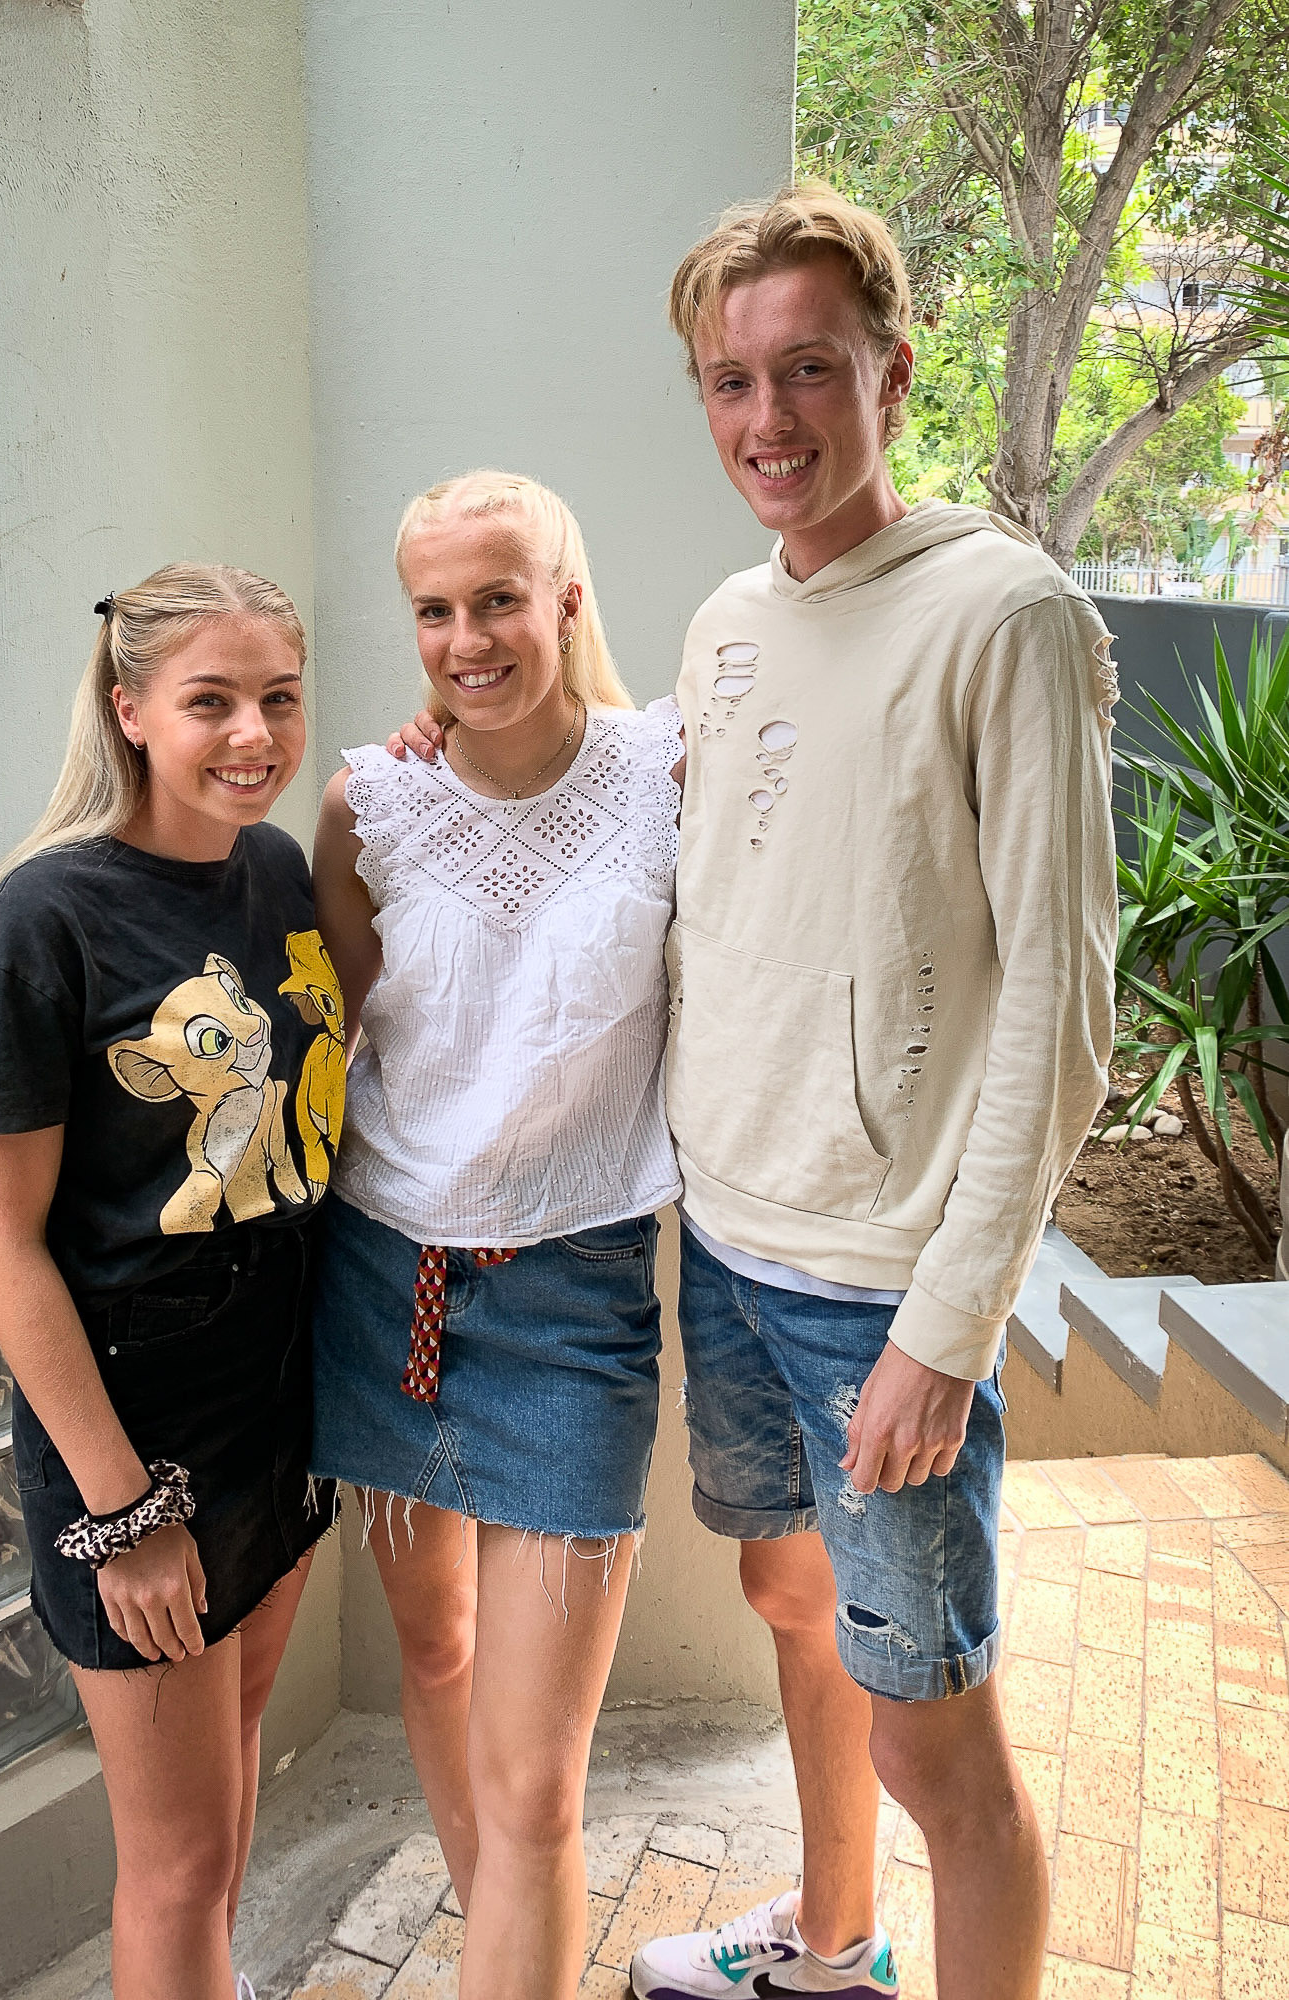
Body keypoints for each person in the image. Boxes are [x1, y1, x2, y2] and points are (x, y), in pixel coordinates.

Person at [392, 189, 1118, 2000]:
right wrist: (448, 741)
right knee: (798, 1607)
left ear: (894, 367)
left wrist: (950, 1325)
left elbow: (1062, 1005)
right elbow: (655, 817)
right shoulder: (728, 620)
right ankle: (831, 1942)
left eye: (809, 369)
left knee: (937, 1732)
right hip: (724, 1246)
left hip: (883, 1285)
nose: (768, 418)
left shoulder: (1005, 614)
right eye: (731, 380)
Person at [311, 470, 684, 2000]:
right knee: (437, 1656)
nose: (466, 639)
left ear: (567, 599)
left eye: (499, 600)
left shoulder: (669, 771)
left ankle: (509, 1937)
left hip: (576, 1300)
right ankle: (500, 1946)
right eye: (435, 610)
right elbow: (337, 1045)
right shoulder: (370, 803)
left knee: (537, 1784)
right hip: (384, 1277)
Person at [0, 565, 342, 2000]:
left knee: (228, 1792)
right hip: (138, 1431)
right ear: (129, 710)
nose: (254, 734)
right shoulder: (39, 921)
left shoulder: (276, 870)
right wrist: (125, 1514)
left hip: (280, 1395)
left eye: (279, 698)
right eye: (210, 701)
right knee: (174, 1863)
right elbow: (1, 1243)